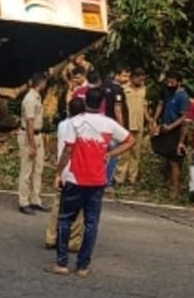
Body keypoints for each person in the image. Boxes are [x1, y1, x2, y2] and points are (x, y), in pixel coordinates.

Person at [51, 87, 135, 277]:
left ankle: (62, 262)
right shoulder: (109, 123)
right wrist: (110, 154)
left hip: (75, 178)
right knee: (91, 223)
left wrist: (58, 172)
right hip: (97, 179)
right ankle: (83, 265)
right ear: (103, 103)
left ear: (85, 100)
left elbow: (68, 151)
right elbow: (130, 140)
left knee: (65, 219)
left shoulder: (75, 122)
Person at [44, 98, 87, 252]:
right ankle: (72, 241)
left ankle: (51, 237)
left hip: (64, 170)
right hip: (79, 170)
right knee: (79, 207)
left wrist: (58, 171)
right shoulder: (85, 127)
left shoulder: (62, 125)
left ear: (69, 110)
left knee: (58, 204)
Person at [150, 71, 190, 198]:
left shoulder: (183, 96)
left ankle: (175, 189)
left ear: (179, 82)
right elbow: (161, 105)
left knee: (175, 161)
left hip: (176, 130)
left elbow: (184, 117)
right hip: (164, 127)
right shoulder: (166, 92)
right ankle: (169, 184)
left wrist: (171, 127)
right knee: (167, 157)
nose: (169, 84)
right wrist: (154, 120)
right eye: (168, 81)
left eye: (172, 82)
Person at [18, 72, 49, 214]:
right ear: (41, 83)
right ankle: (23, 201)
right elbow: (29, 122)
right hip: (28, 135)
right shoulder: (30, 99)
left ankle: (35, 199)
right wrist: (31, 144)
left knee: (38, 169)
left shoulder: (37, 97)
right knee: (27, 170)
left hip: (37, 135)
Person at [116, 67, 151, 187]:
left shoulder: (144, 89)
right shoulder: (124, 89)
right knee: (123, 153)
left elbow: (144, 107)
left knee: (136, 153)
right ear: (133, 78)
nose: (141, 82)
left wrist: (149, 120)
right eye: (139, 79)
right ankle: (119, 178)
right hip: (126, 126)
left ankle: (132, 179)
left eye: (142, 80)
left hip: (139, 125)